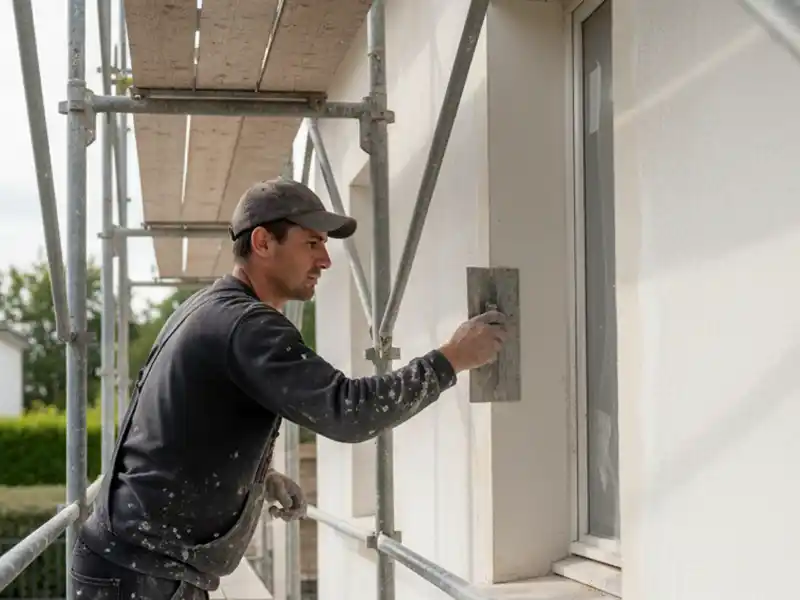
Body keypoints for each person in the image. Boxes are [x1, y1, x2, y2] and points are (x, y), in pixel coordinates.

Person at [71, 178, 509, 599]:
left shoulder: (208, 309)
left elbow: (181, 426)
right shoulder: (248, 325)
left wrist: (255, 478)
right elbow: (348, 411)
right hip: (141, 573)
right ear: (263, 243)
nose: (326, 260)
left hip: (134, 562)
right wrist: (451, 358)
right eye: (312, 243)